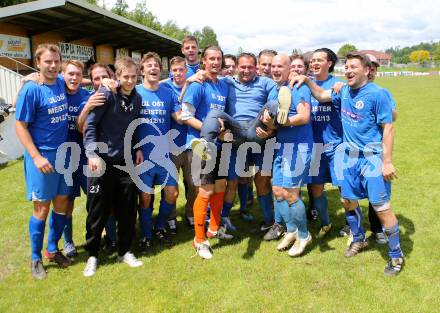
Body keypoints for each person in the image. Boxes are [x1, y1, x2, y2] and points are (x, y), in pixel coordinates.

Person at [292, 52, 404, 275]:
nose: (349, 70)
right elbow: (322, 95)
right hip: (348, 157)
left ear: (366, 70)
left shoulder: (377, 94)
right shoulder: (342, 91)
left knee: (381, 207)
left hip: (371, 158)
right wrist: (306, 80)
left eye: (354, 67)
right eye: (347, 67)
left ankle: (395, 255)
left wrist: (387, 161)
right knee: (347, 200)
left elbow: (388, 128)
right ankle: (359, 238)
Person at [192, 52, 291, 232]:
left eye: (250, 67)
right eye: (243, 67)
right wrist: (195, 75)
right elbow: (206, 76)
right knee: (232, 180)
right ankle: (207, 143)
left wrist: (271, 129)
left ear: (256, 68)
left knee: (273, 104)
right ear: (237, 67)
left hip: (257, 131)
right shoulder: (227, 82)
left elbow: (284, 85)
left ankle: (270, 221)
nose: (246, 71)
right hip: (236, 132)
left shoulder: (265, 82)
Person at [83, 56, 144, 277]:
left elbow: (135, 126)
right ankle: (92, 255)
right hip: (100, 162)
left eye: (133, 77)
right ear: (116, 77)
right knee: (97, 210)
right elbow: (90, 124)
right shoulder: (106, 94)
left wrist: (137, 146)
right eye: (125, 77)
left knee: (128, 208)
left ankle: (124, 251)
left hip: (126, 162)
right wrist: (92, 153)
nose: (129, 81)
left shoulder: (137, 99)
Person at [15, 44, 72, 279]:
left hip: (63, 156)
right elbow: (20, 126)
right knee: (41, 208)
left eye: (56, 61)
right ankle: (35, 258)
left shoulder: (59, 82)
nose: (52, 65)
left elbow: (77, 80)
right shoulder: (31, 89)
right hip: (43, 157)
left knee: (61, 204)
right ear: (38, 62)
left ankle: (52, 249)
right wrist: (36, 157)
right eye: (47, 61)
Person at [181, 45, 233, 260]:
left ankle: (214, 229)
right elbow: (185, 115)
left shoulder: (223, 85)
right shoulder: (198, 84)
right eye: (211, 58)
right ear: (204, 61)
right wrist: (210, 130)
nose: (215, 62)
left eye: (218, 59)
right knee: (205, 191)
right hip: (201, 144)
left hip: (220, 144)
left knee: (221, 186)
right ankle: (199, 240)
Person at [263, 53, 313, 255]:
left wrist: (285, 122)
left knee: (292, 195)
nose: (275, 69)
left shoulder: (298, 87)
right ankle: (291, 230)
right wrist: (269, 126)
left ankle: (304, 235)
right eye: (273, 66)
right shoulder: (274, 92)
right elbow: (276, 126)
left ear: (289, 68)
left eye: (280, 66)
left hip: (299, 148)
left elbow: (304, 116)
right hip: (282, 147)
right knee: (277, 190)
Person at [136, 52, 181, 249]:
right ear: (142, 70)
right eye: (149, 65)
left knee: (172, 193)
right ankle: (146, 234)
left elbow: (179, 117)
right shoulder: (134, 92)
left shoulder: (167, 93)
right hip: (142, 155)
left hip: (164, 155)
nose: (153, 68)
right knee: (145, 197)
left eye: (156, 65)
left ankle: (159, 226)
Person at [306, 48, 344, 239]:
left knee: (344, 188)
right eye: (312, 60)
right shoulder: (303, 86)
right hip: (313, 147)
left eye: (319, 60)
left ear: (329, 63)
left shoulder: (338, 85)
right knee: (316, 188)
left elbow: (322, 95)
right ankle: (326, 223)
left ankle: (350, 224)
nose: (314, 63)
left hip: (335, 145)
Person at [162, 56, 195, 232]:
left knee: (193, 183)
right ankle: (171, 217)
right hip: (171, 145)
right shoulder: (165, 87)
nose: (178, 73)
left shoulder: (194, 85)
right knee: (171, 185)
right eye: (174, 70)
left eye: (181, 70)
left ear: (186, 70)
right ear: (170, 72)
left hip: (190, 143)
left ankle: (190, 214)